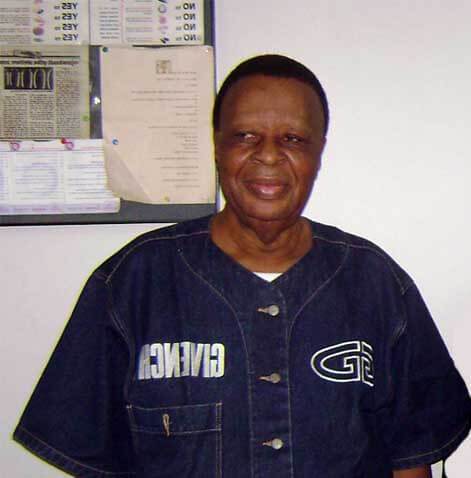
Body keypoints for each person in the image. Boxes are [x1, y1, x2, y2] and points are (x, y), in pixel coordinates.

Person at [14, 55, 470, 477]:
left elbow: (412, 458)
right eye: (245, 136)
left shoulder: (376, 285)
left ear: (319, 152)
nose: (268, 155)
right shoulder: (134, 283)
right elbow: (93, 459)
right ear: (217, 145)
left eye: (293, 139)